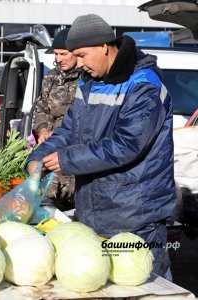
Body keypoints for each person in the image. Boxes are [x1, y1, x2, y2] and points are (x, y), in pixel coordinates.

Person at [26, 14, 176, 279]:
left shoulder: (144, 85)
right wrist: (39, 156)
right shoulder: (90, 82)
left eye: (82, 56)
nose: (79, 65)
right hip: (95, 211)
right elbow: (69, 130)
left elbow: (127, 144)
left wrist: (67, 159)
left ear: (104, 46)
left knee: (145, 287)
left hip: (135, 218)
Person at [32, 28, 80, 211]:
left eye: (64, 54)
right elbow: (41, 107)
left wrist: (58, 131)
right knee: (50, 208)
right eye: (57, 54)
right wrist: (43, 129)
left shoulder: (87, 78)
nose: (59, 59)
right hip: (50, 155)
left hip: (73, 157)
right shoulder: (51, 77)